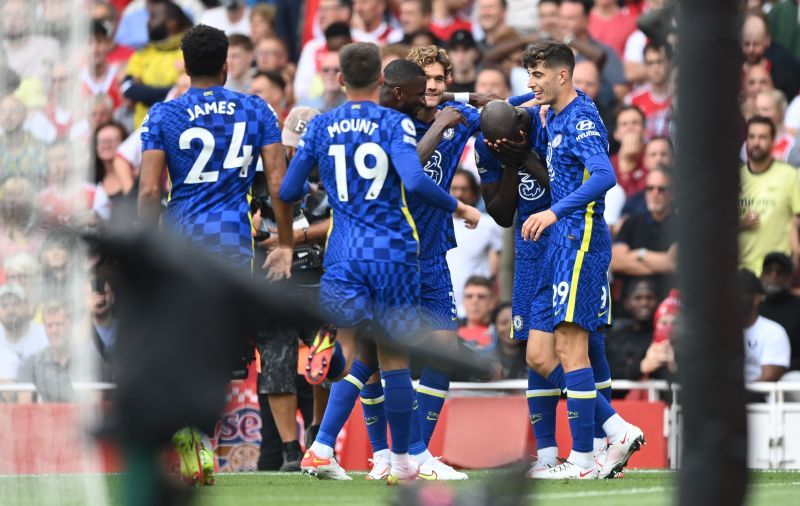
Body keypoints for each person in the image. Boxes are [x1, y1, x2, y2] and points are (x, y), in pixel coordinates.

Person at [282, 44, 478, 482]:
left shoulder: (322, 124)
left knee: (358, 353)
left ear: (339, 80)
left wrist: (298, 219)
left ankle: (321, 446)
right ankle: (406, 461)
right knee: (394, 358)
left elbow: (291, 186)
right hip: (390, 252)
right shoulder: (393, 123)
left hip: (343, 252)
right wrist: (458, 207)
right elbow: (413, 179)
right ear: (382, 83)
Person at [137, 24, 295, 486]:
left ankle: (192, 435)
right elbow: (279, 183)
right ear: (227, 65)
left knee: (181, 342)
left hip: (181, 242)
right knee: (220, 350)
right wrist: (285, 243)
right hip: (231, 242)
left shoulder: (163, 115)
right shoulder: (256, 108)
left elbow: (149, 191)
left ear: (184, 67)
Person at [519, 40, 643, 480]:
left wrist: (554, 210)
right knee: (538, 353)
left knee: (573, 351)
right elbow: (517, 101)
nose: (530, 84)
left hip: (580, 238)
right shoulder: (551, 108)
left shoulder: (582, 118)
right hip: (558, 244)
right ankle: (616, 427)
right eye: (528, 75)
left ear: (562, 76)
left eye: (537, 75)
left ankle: (585, 461)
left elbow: (606, 175)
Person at [739, 116, 800, 274]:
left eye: (762, 137)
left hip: (776, 271)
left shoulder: (790, 176)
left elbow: (797, 220)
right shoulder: (735, 178)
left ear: (773, 141)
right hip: (740, 272)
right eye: (752, 137)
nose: (756, 142)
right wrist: (740, 224)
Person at [121, 0, 192, 129]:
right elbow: (128, 88)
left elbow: (188, 93)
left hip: (179, 129)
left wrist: (145, 93)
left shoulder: (189, 50)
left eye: (153, 17)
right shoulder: (143, 53)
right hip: (144, 131)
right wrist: (171, 90)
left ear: (173, 22)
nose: (148, 23)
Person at [611, 166, 678, 302]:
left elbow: (673, 264)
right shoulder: (631, 222)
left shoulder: (681, 225)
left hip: (667, 305)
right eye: (650, 188)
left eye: (661, 189)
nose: (654, 193)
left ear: (672, 194)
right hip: (629, 306)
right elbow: (616, 262)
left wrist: (638, 254)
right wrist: (660, 264)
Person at [17, 299, 100, 403]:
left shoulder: (90, 360)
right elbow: (24, 411)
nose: (54, 330)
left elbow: (96, 408)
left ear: (71, 325)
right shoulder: (31, 364)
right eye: (49, 325)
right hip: (45, 418)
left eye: (60, 324)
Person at [447, 169, 503, 317]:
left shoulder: (489, 224)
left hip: (476, 310)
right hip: (442, 308)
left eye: (464, 189)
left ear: (474, 193)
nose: (458, 194)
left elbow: (495, 270)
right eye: (454, 188)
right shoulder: (436, 224)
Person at [605, 279, 661, 384]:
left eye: (649, 298)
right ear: (627, 303)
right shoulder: (614, 336)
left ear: (658, 302)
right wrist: (641, 367)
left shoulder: (662, 337)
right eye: (638, 298)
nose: (644, 303)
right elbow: (610, 371)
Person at [740, 269, 791, 383]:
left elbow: (769, 377)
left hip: (758, 398)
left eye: (741, 293)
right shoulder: (718, 331)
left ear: (756, 298)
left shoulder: (772, 332)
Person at [759, 252, 800, 372]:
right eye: (768, 271)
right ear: (762, 275)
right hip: (758, 375)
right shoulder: (755, 308)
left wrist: (780, 369)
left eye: (780, 271)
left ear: (789, 277)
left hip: (792, 378)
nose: (774, 275)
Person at [625, 42, 673, 141]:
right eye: (650, 63)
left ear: (669, 63)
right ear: (645, 66)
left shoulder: (679, 99)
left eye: (659, 62)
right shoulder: (633, 100)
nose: (655, 67)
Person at [0, 284, 48, 368]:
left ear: (26, 305)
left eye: (15, 304)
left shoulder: (44, 335)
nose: (10, 310)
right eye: (4, 306)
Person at [457, 276, 497, 350]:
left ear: (492, 302)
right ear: (463, 301)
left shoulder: (502, 333)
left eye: (481, 297)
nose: (474, 301)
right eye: (469, 296)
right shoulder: (449, 330)